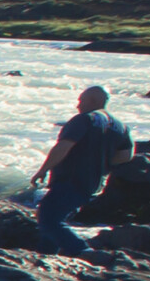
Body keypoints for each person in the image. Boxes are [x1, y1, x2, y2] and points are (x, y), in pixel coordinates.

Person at [28, 84, 131, 255]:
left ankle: (84, 252)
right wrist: (100, 163)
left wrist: (43, 170)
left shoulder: (84, 119)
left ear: (93, 100)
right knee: (55, 217)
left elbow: (64, 146)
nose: (78, 105)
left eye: (81, 100)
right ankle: (46, 254)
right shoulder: (121, 127)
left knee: (48, 218)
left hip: (70, 179)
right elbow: (126, 155)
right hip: (93, 184)